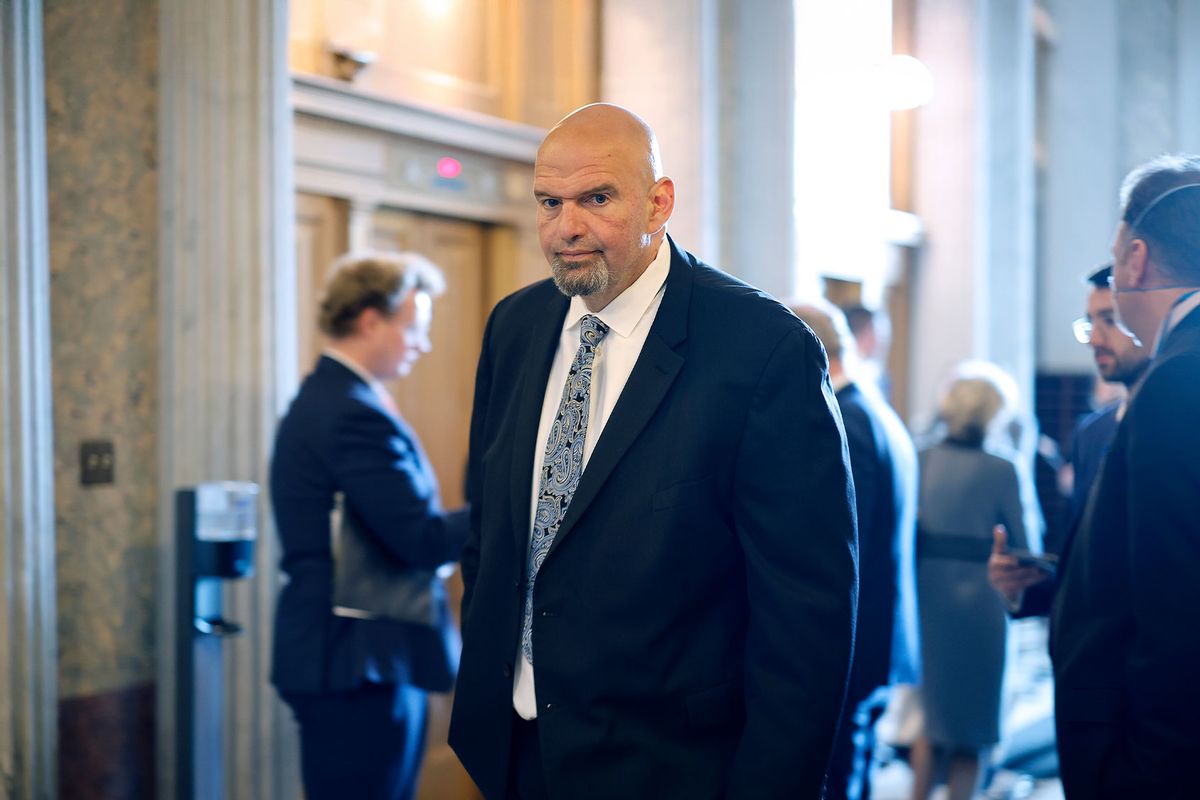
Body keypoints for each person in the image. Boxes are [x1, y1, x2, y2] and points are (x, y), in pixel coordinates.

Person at [448, 103, 858, 800]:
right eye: (550, 203)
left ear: (659, 202)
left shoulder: (762, 349)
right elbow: (489, 532)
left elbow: (806, 620)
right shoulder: (515, 326)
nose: (566, 227)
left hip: (675, 768)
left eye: (596, 198)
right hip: (515, 755)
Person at [269, 252, 469, 800]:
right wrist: (519, 506)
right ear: (370, 320)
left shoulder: (337, 400)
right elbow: (420, 539)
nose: (421, 344)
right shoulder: (349, 411)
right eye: (414, 328)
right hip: (357, 659)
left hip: (355, 653)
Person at [1051, 154, 1200, 798]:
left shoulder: (1175, 381)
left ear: (1134, 260)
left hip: (1149, 761)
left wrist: (1139, 774)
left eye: (1114, 259)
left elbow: (1177, 615)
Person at [791, 300, 919, 800]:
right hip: (877, 634)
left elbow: (847, 545)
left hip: (854, 639)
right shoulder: (873, 409)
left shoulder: (849, 421)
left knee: (840, 773)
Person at [909, 362, 1042, 800]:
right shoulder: (1004, 468)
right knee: (974, 727)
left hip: (927, 594)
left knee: (932, 719)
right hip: (983, 600)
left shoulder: (921, 456)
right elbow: (1026, 544)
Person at [989, 263, 1149, 616]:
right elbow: (1075, 560)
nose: (1094, 337)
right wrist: (1023, 586)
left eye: (1109, 319)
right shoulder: (1091, 433)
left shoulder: (1178, 423)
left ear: (1148, 322)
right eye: (1090, 322)